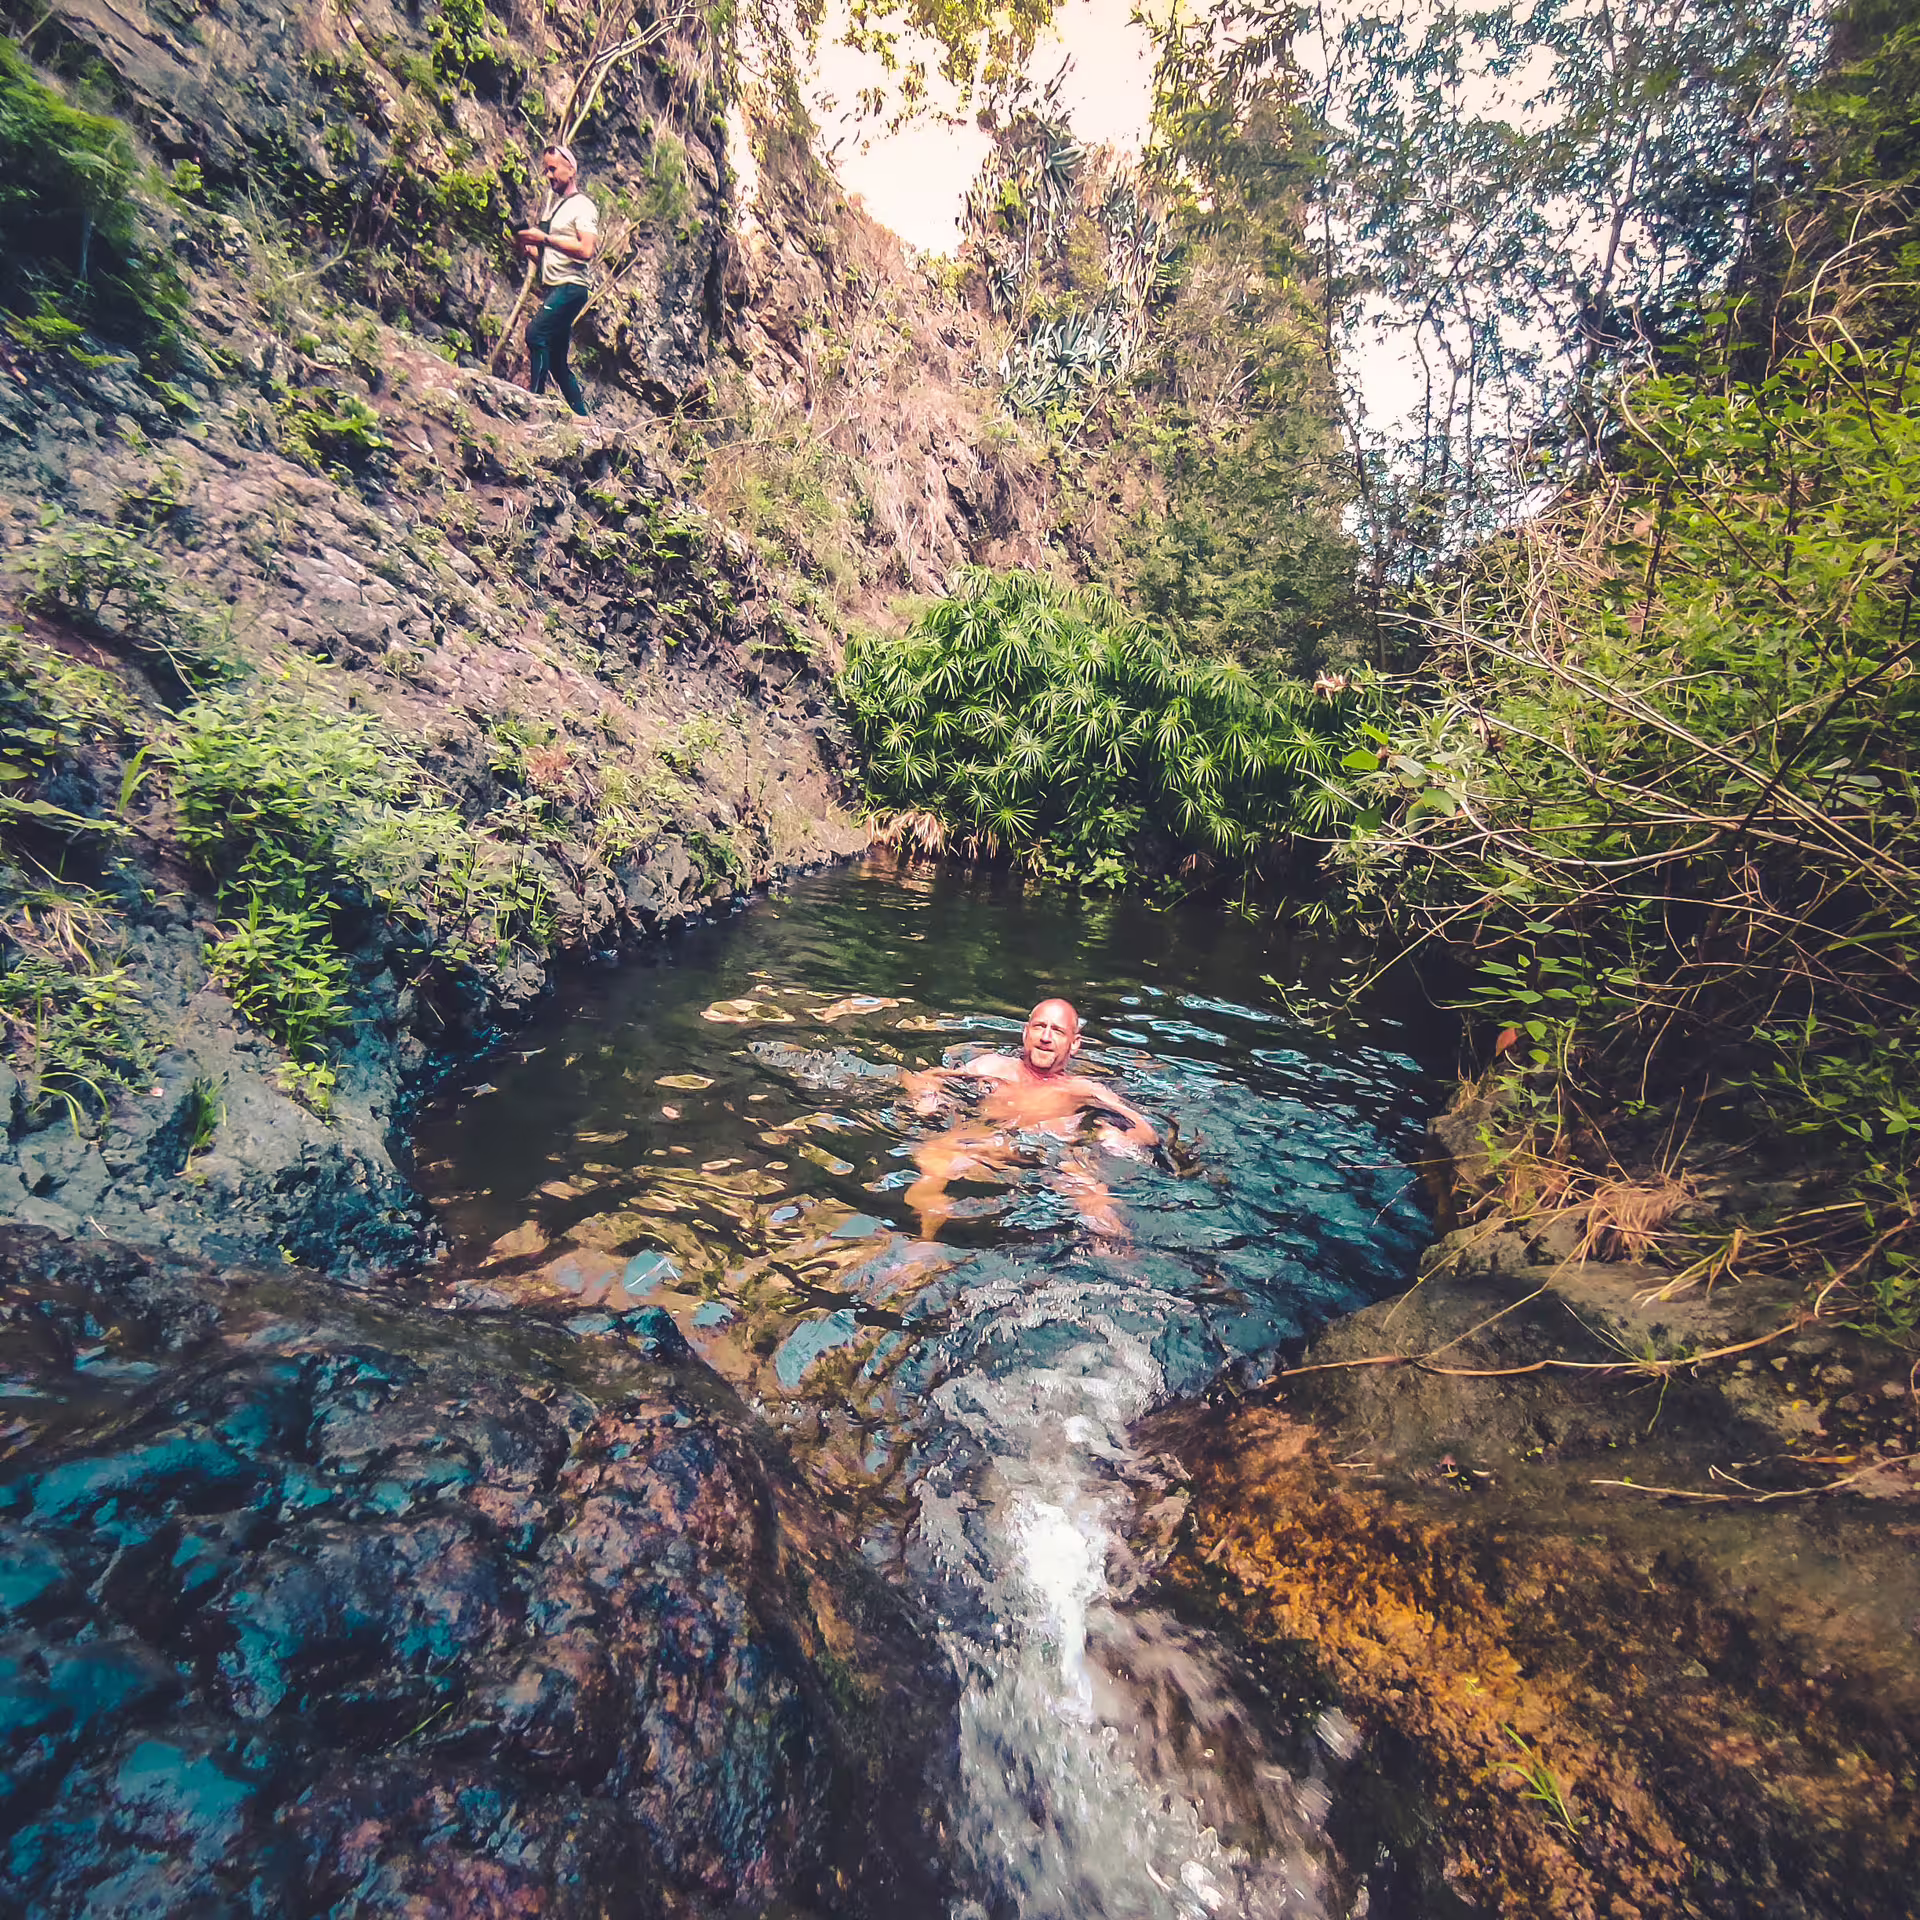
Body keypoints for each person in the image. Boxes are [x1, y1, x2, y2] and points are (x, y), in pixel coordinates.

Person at [902, 998, 1157, 1239]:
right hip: (986, 1145)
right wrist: (926, 1097)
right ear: (1026, 1033)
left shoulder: (1082, 1089)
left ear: (1074, 1043)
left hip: (1052, 1157)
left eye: (1057, 1031)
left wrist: (1112, 1135)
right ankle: (923, 1243)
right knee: (933, 1162)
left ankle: (1121, 1263)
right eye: (1040, 1027)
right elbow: (923, 1077)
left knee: (1098, 1204)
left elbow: (1147, 1133)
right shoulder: (993, 1067)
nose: (1046, 1037)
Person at [515, 144, 598, 417]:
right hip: (557, 286)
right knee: (558, 363)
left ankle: (534, 404)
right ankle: (584, 418)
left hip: (572, 288)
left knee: (535, 334)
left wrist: (546, 239)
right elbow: (549, 258)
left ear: (570, 169)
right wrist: (532, 251)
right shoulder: (556, 211)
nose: (548, 175)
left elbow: (586, 250)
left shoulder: (582, 206)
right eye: (546, 170)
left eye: (552, 169)